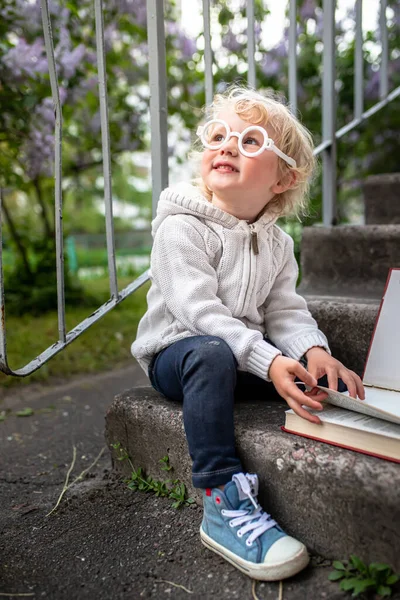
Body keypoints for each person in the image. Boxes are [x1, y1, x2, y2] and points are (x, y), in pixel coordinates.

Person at [131, 86, 365, 581]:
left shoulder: (278, 242)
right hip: (181, 356)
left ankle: (358, 418)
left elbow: (285, 310)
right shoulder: (181, 228)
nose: (227, 145)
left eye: (250, 140)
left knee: (310, 368)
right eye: (218, 136)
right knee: (214, 352)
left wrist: (312, 350)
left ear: (284, 178)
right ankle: (222, 503)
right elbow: (199, 314)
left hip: (238, 356)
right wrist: (267, 359)